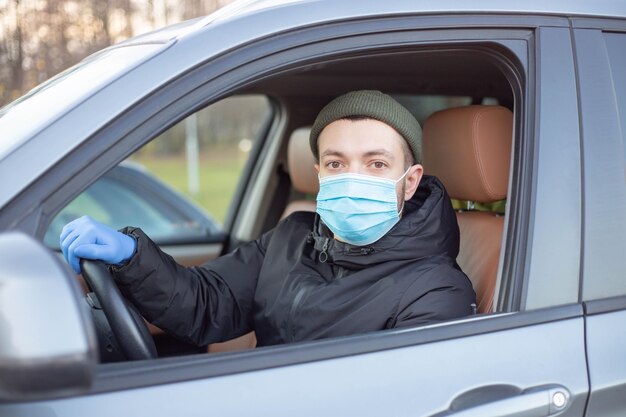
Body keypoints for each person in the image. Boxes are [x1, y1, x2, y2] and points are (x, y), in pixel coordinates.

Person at [60, 90, 476, 347]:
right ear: (318, 174)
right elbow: (208, 304)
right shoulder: (293, 238)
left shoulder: (436, 291)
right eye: (336, 163)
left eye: (377, 164)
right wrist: (132, 255)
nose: (353, 178)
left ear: (410, 180)